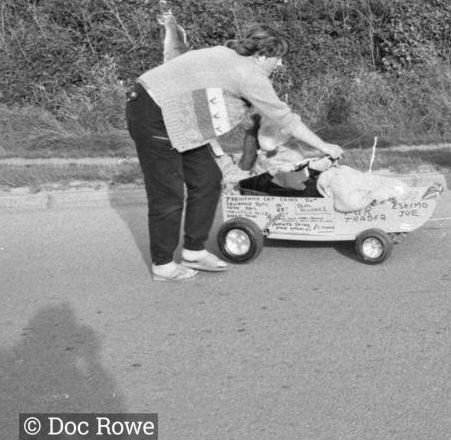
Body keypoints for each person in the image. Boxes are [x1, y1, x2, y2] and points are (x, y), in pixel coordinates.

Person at [126, 20, 343, 282]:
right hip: (152, 113)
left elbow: (180, 63)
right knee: (168, 194)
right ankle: (162, 265)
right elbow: (285, 119)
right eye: (277, 58)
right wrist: (324, 146)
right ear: (262, 55)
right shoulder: (249, 73)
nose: (280, 64)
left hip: (181, 119)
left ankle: (193, 250)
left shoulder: (227, 54)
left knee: (207, 179)